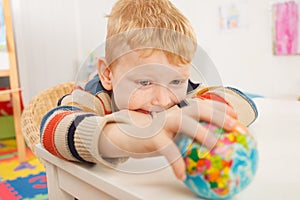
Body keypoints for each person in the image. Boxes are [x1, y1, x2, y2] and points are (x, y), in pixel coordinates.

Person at [40, 0, 257, 181]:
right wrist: (125, 135)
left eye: (175, 82)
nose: (163, 100)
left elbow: (245, 102)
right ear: (108, 74)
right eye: (144, 83)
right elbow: (52, 127)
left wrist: (198, 111)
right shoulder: (95, 96)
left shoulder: (179, 98)